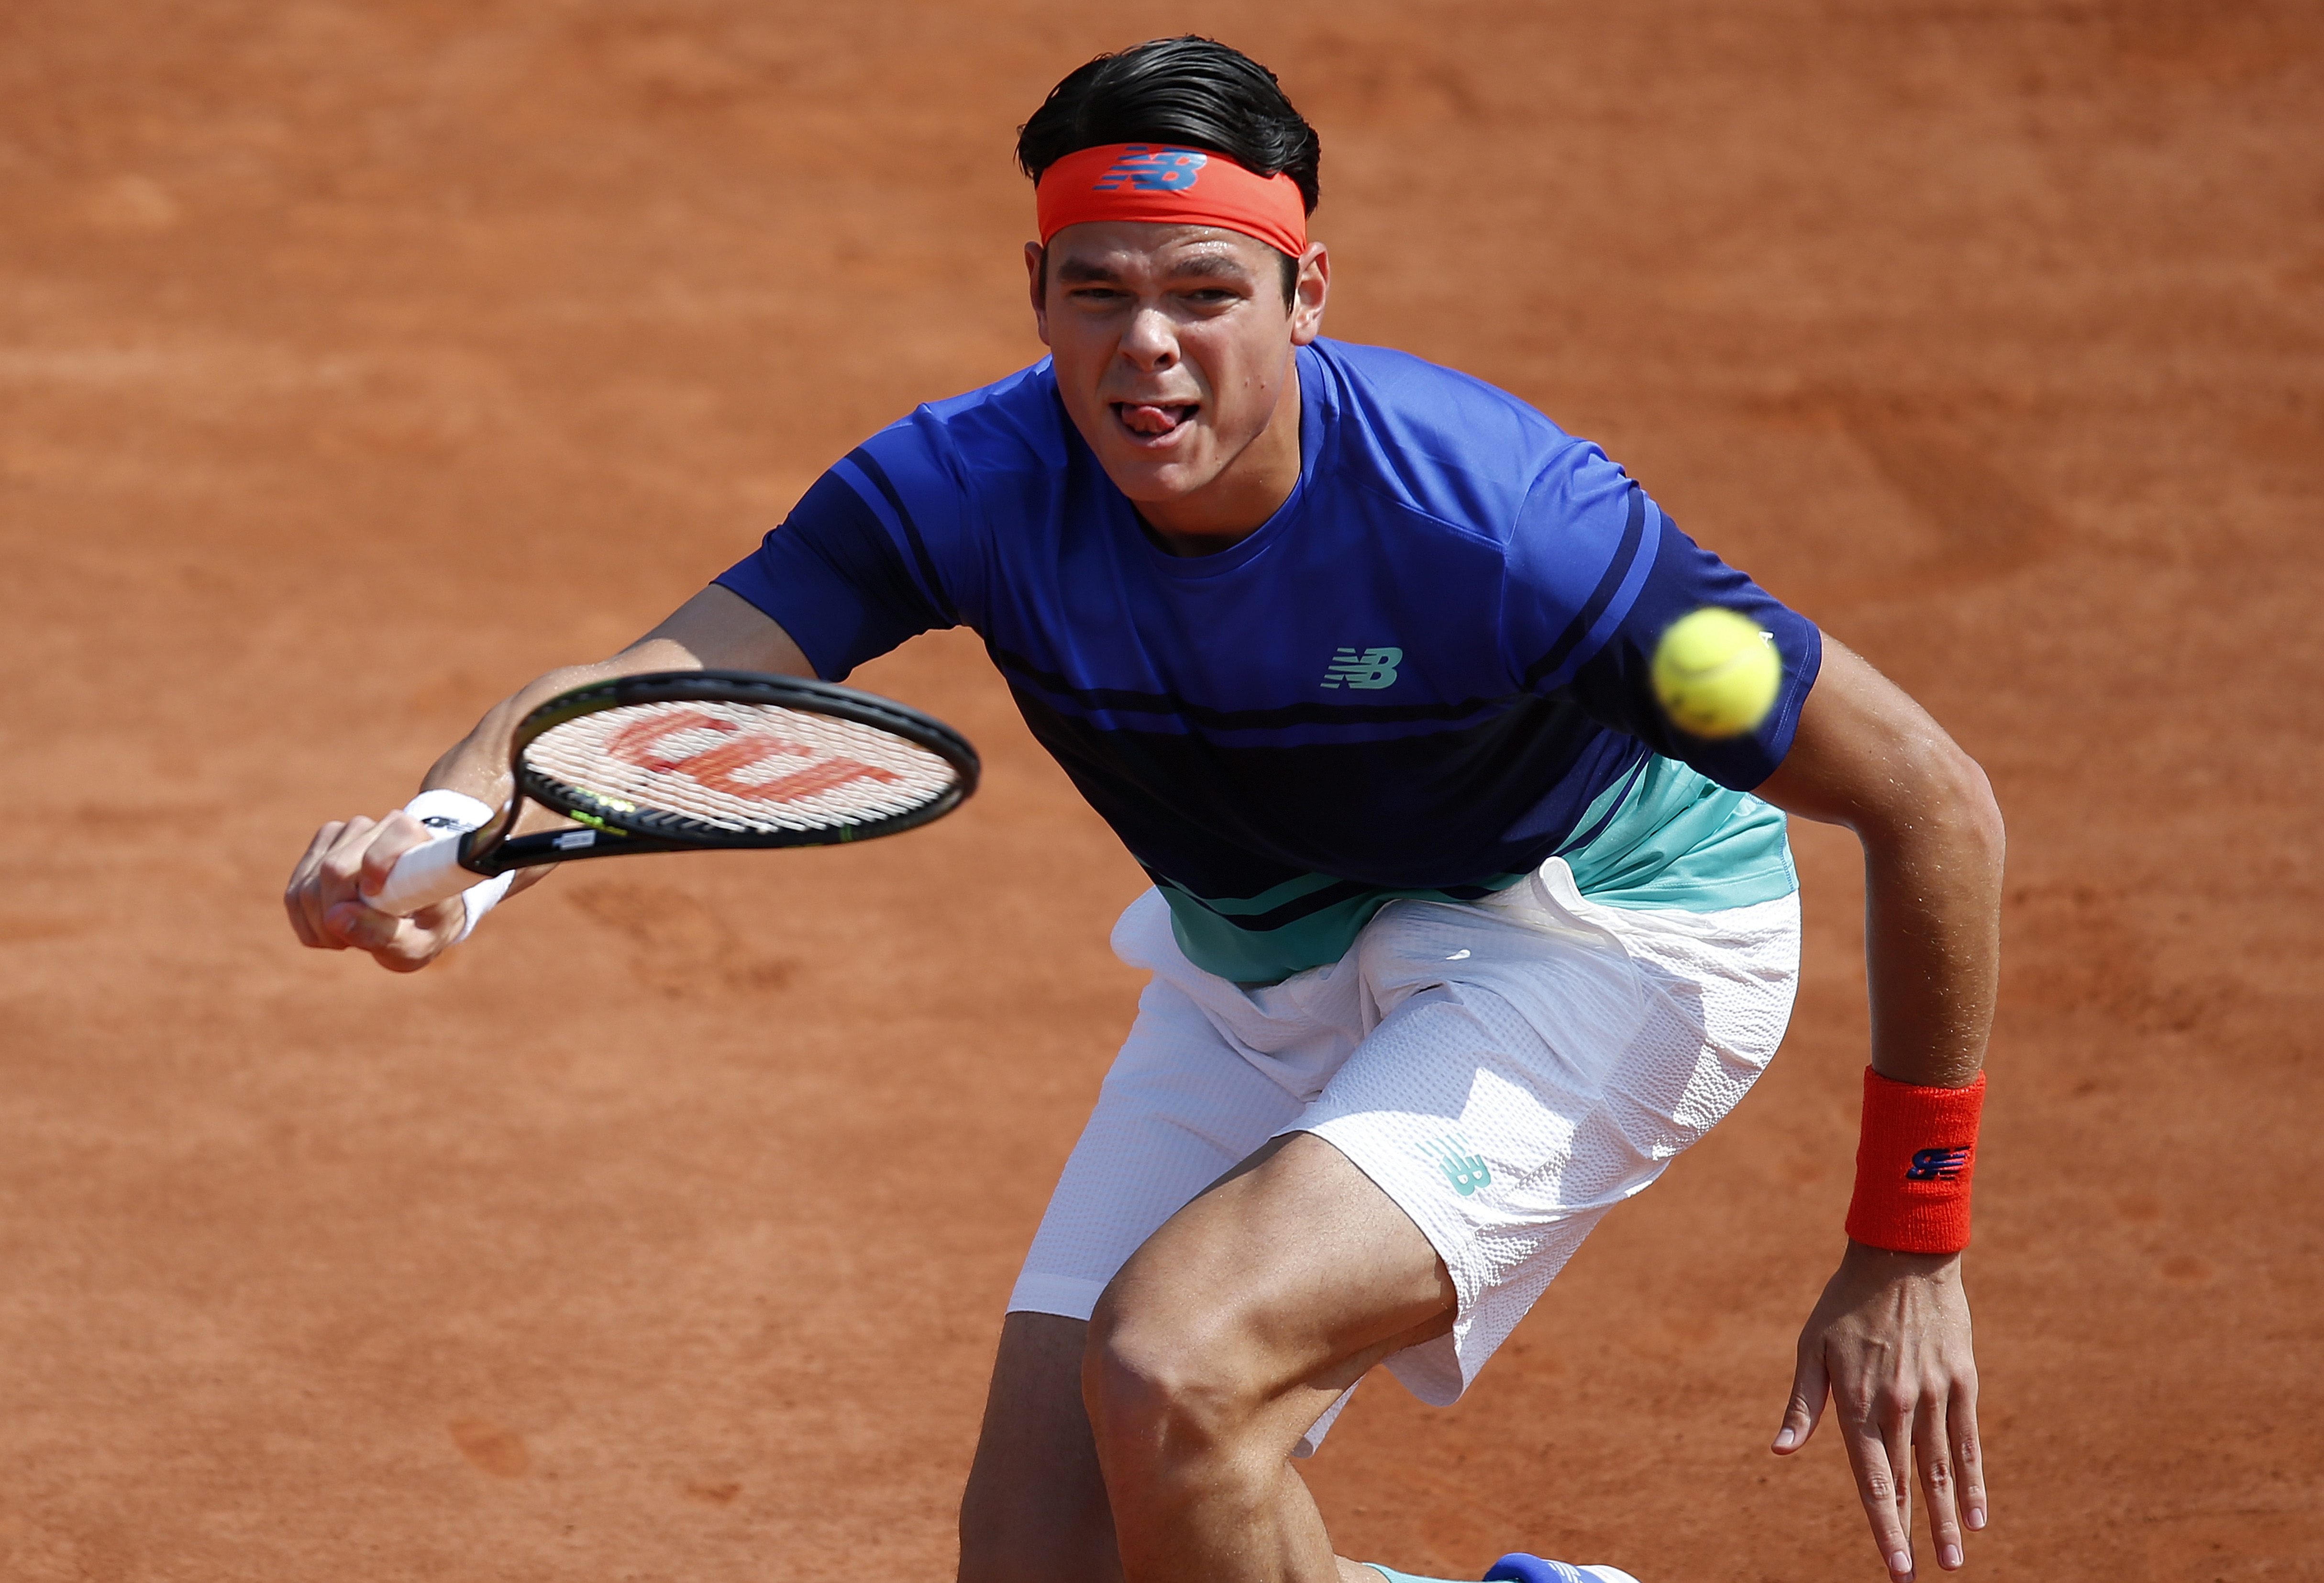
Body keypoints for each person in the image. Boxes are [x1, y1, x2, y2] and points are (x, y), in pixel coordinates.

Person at [284, 35, 2003, 1583]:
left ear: (1306, 291)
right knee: (1051, 1569)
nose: (1148, 349)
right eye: (1096, 292)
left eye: (1205, 290)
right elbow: (634, 697)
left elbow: (1927, 797)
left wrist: (1907, 1242)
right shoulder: (957, 492)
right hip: (1260, 959)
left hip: (1591, 930)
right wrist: (441, 836)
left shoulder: (1514, 528)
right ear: (1034, 290)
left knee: (1180, 1368)